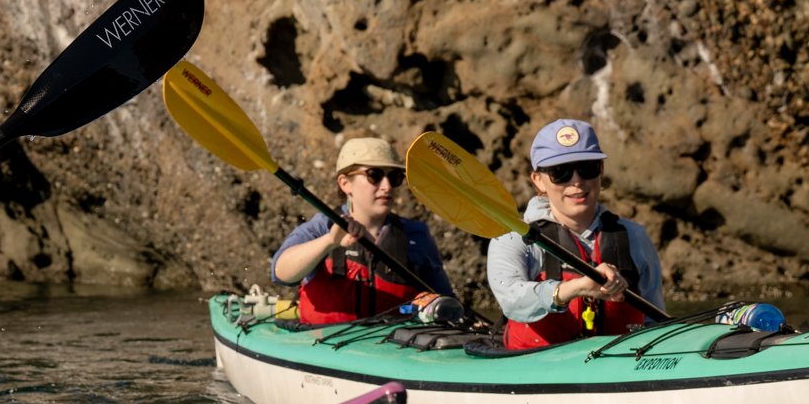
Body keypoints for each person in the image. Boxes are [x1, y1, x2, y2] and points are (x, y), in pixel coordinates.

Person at [487, 119, 665, 348]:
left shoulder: (634, 236)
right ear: (538, 180)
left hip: (619, 366)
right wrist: (576, 288)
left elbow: (655, 321)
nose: (577, 182)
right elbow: (511, 301)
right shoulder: (512, 238)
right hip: (536, 366)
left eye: (587, 168)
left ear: (601, 172)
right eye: (560, 173)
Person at [271, 136, 454, 325]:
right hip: (323, 343)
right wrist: (329, 242)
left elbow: (446, 301)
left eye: (394, 177)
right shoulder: (321, 226)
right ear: (345, 183)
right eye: (374, 175)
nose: (387, 186)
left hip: (394, 347)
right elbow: (280, 273)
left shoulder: (416, 235)